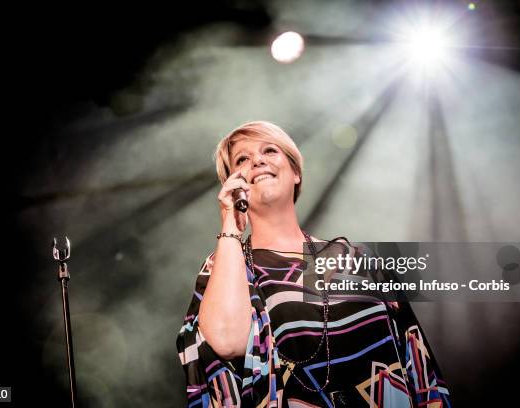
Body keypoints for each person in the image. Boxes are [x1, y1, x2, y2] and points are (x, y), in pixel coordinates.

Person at [177, 121, 451, 407]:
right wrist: (230, 226)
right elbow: (225, 342)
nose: (257, 160)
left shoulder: (359, 259)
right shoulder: (225, 266)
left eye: (269, 150)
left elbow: (417, 362)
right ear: (233, 185)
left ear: (295, 172)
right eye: (242, 159)